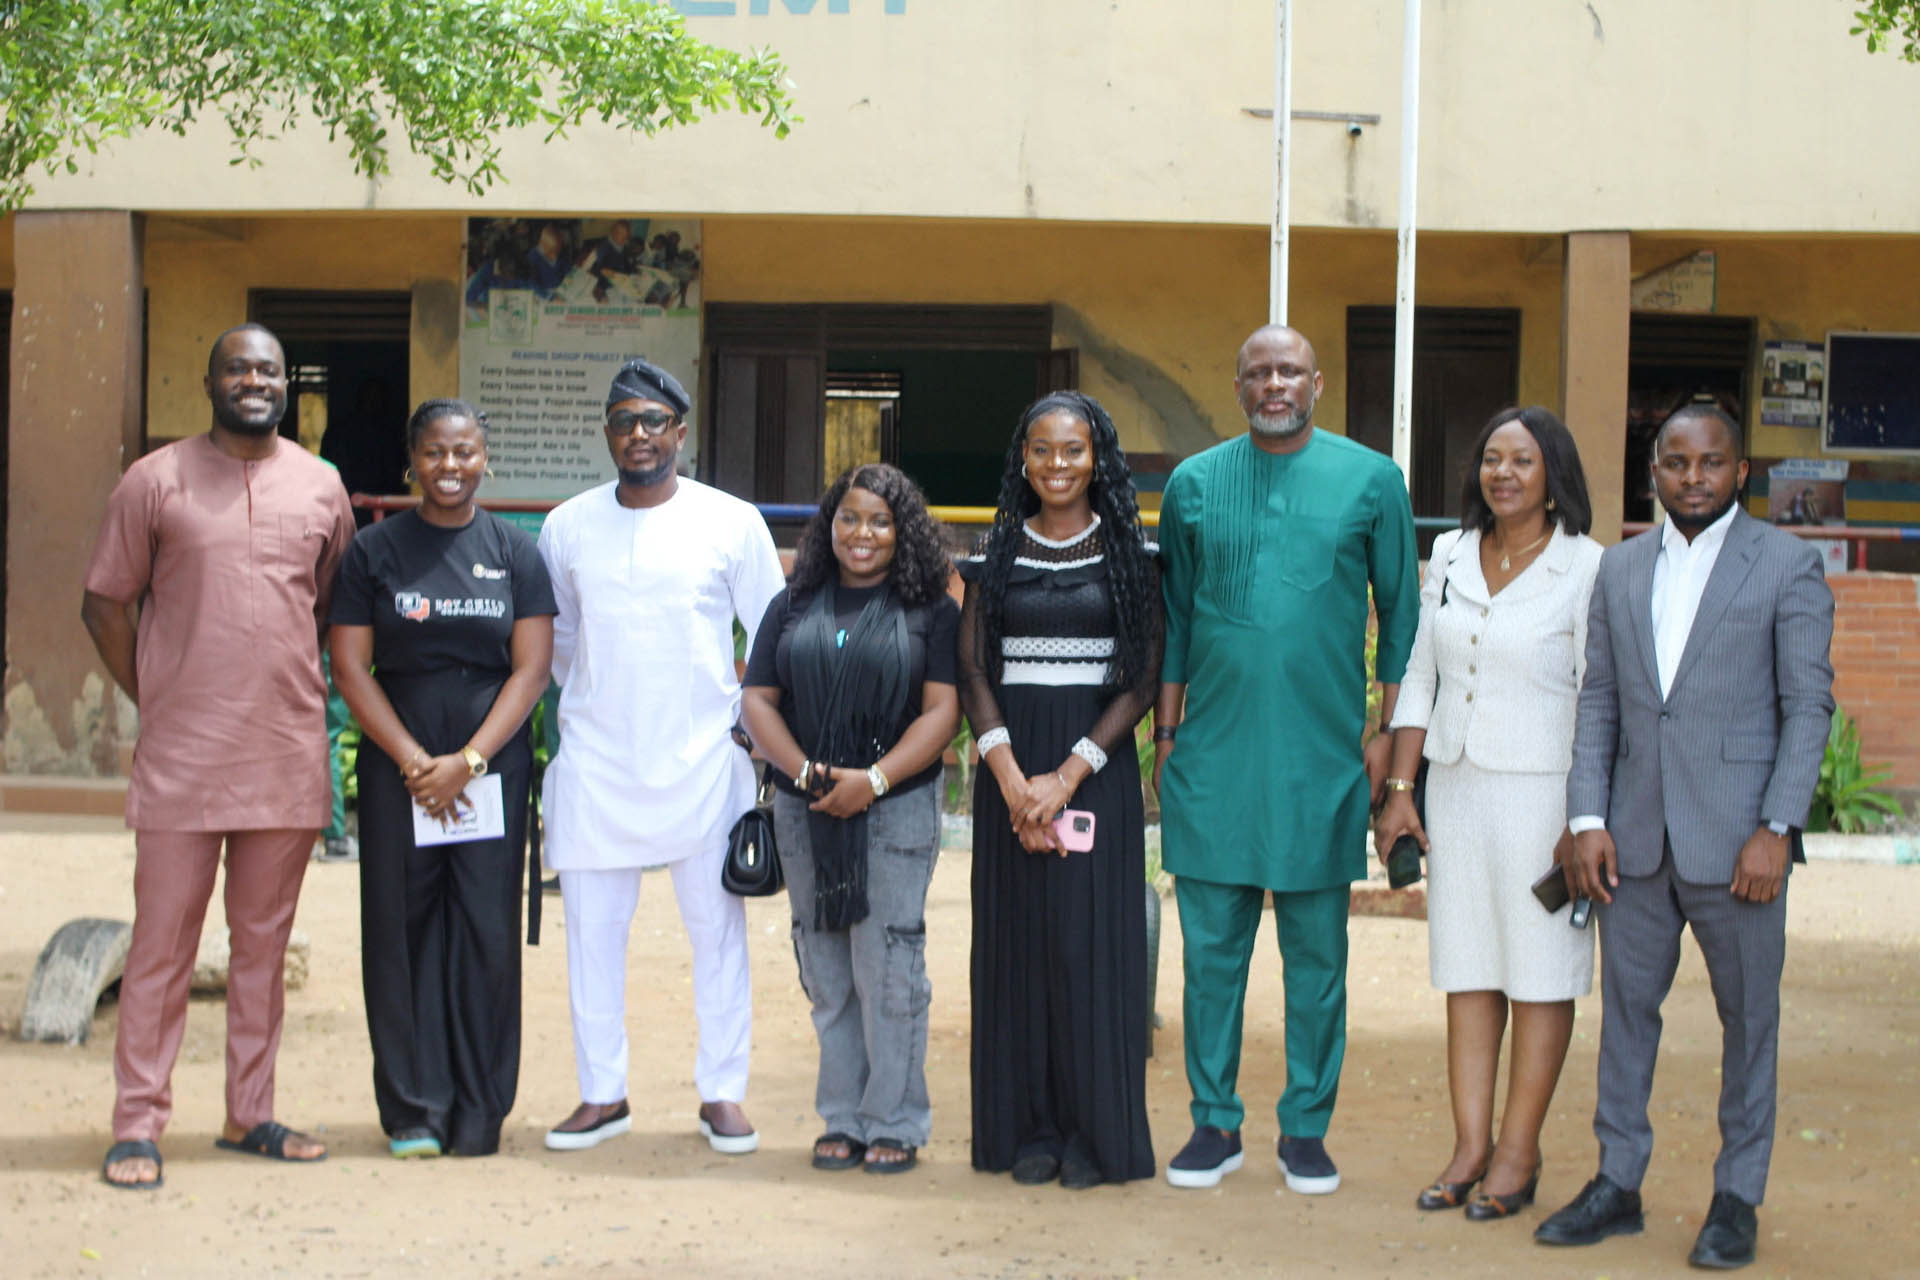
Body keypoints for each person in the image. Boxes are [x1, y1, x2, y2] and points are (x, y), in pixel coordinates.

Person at [1535, 404, 1834, 1270]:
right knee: (1627, 1018)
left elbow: (1807, 707)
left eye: (1710, 463)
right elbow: (1599, 700)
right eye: (1676, 462)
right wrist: (1588, 819)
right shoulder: (1621, 569)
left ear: (1741, 471)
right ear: (1654, 472)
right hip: (1632, 842)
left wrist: (1776, 828)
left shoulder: (1787, 563)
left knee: (1750, 1023)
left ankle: (1737, 1197)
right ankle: (1618, 1181)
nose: (1693, 477)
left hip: (1740, 846)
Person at [81, 323, 356, 1189]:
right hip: (184, 759)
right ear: (210, 383)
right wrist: (158, 696)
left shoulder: (321, 486)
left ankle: (250, 1112)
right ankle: (138, 1123)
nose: (253, 381)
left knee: (261, 951)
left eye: (267, 370)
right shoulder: (153, 480)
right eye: (236, 368)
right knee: (161, 947)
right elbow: (104, 604)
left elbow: (329, 606)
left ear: (286, 385)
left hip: (283, 753)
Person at [1154, 324, 1417, 1193]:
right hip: (1212, 758)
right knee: (1210, 958)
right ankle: (1214, 1122)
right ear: (1239, 387)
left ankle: (1306, 1128)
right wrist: (1166, 736)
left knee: (1317, 962)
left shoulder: (1372, 480)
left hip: (1322, 763)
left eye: (1290, 371)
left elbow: (1402, 617)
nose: (1275, 384)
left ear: (1317, 384)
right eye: (1259, 372)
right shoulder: (1194, 485)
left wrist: (1387, 737)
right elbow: (1175, 619)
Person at [537, 357, 785, 1155]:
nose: (638, 434)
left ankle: (723, 1092)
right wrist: (607, 704)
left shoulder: (731, 521)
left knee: (717, 934)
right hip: (597, 762)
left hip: (705, 761)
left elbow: (773, 632)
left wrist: (745, 727)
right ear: (607, 433)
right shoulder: (567, 526)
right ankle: (601, 1094)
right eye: (623, 421)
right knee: (591, 937)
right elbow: (559, 643)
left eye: (653, 421)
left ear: (680, 432)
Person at [1372, 407, 1604, 1220]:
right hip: (1459, 792)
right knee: (1468, 970)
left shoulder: (1586, 567)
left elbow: (1598, 698)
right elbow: (1421, 675)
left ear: (1554, 475)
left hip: (1546, 799)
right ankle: (1469, 1147)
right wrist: (1403, 791)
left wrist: (1584, 818)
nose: (1503, 473)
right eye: (1492, 459)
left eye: (1523, 460)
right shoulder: (1450, 553)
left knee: (1540, 976)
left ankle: (1517, 1153)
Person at [327, 399, 556, 1158]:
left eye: (464, 452)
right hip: (402, 768)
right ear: (412, 461)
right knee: (402, 929)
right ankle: (414, 1110)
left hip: (489, 768)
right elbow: (350, 666)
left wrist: (470, 762)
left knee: (487, 932)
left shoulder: (515, 552)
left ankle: (479, 1111)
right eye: (434, 452)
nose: (449, 466)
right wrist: (413, 761)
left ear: (484, 459)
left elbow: (531, 671)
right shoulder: (373, 551)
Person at [958, 391, 1162, 1189]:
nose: (1057, 464)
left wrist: (1067, 775)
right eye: (1041, 449)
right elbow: (974, 669)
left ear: (1097, 458)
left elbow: (1142, 678)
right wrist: (1012, 779)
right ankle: (1028, 1131)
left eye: (1073, 450)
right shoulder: (996, 553)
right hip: (1010, 771)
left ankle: (1092, 1135)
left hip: (1093, 770)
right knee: (1021, 952)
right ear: (1023, 459)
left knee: (1085, 951)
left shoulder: (1131, 557)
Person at [739, 464, 960, 1175]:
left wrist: (875, 780)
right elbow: (758, 700)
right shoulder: (793, 603)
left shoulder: (931, 611)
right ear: (829, 525)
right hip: (806, 809)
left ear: (903, 532)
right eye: (849, 518)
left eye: (879, 521)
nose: (862, 534)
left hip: (894, 808)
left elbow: (943, 711)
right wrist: (805, 773)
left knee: (888, 967)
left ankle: (894, 1118)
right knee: (826, 967)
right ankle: (842, 1115)